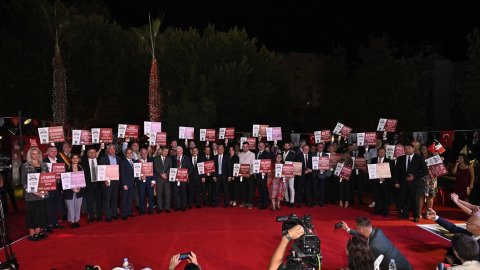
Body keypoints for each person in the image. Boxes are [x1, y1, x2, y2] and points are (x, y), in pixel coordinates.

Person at [341, 217, 412, 270]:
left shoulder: (374, 246)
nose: (356, 229)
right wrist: (348, 230)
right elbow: (361, 233)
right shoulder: (376, 231)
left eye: (357, 228)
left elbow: (368, 266)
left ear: (361, 230)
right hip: (403, 264)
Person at [394, 142, 429, 222]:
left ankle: (416, 216)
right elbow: (396, 172)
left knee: (415, 200)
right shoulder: (400, 158)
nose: (407, 150)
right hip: (403, 183)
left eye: (409, 148)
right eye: (405, 149)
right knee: (403, 199)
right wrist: (396, 182)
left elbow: (425, 171)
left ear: (413, 149)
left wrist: (414, 177)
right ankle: (405, 214)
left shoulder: (419, 158)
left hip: (416, 183)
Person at [22, 147, 50, 241]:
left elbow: (48, 179)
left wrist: (46, 189)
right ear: (30, 155)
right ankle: (32, 233)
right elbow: (24, 182)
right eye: (33, 154)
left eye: (37, 153)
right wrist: (35, 192)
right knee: (32, 214)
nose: (35, 155)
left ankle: (38, 231)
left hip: (43, 194)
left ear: (40, 154)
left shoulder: (44, 165)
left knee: (41, 213)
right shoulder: (25, 166)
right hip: (31, 195)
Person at [43, 145, 65, 231]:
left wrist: (63, 187)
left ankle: (55, 223)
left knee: (56, 205)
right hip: (48, 187)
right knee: (49, 206)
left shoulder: (59, 161)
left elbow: (63, 174)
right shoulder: (44, 161)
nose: (54, 153)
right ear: (47, 152)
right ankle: (48, 224)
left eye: (55, 151)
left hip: (58, 186)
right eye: (51, 151)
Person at [98, 144, 121, 222]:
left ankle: (114, 214)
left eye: (113, 149)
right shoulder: (102, 159)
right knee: (107, 199)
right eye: (110, 149)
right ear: (107, 150)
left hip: (116, 181)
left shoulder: (119, 158)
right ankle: (108, 216)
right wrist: (105, 179)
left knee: (115, 199)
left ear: (115, 150)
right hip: (107, 181)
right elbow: (100, 171)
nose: (112, 150)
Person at [371, 148, 394, 217]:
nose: (381, 153)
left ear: (385, 153)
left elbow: (392, 172)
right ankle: (377, 210)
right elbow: (372, 170)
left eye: (382, 152)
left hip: (385, 182)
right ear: (377, 153)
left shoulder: (389, 161)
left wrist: (385, 178)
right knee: (377, 196)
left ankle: (385, 211)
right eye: (379, 152)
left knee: (385, 197)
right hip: (375, 181)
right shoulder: (373, 160)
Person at [64, 153, 85, 228]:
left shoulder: (81, 168)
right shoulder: (67, 168)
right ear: (71, 159)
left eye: (77, 158)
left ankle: (76, 220)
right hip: (69, 190)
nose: (75, 159)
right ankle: (72, 221)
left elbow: (83, 179)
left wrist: (80, 187)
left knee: (78, 206)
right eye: (73, 158)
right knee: (70, 206)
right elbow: (65, 179)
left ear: (79, 159)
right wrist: (71, 187)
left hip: (79, 190)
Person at [82, 147, 103, 223]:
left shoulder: (100, 160)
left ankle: (99, 216)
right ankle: (91, 217)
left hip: (99, 185)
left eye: (93, 152)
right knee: (89, 202)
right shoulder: (83, 162)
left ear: (96, 153)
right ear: (87, 154)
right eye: (90, 152)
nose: (92, 154)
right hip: (88, 185)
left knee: (99, 201)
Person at [153, 147, 172, 213]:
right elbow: (155, 167)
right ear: (162, 151)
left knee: (167, 194)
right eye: (165, 151)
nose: (166, 153)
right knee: (159, 194)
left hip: (167, 179)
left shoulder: (169, 158)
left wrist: (165, 174)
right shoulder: (156, 158)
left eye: (167, 152)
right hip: (159, 179)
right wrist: (161, 174)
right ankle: (160, 208)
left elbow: (170, 167)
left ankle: (167, 208)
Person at [174, 146, 193, 211]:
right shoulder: (173, 158)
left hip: (183, 179)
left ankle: (183, 206)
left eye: (180, 151)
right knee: (176, 193)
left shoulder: (186, 158)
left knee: (183, 193)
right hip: (175, 179)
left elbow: (190, 169)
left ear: (182, 151)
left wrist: (188, 174)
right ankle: (178, 206)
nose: (178, 152)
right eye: (177, 151)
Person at [119, 148, 137, 220]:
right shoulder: (122, 162)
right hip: (126, 184)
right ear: (125, 154)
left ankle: (129, 212)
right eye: (128, 153)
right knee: (124, 199)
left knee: (130, 199)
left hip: (132, 183)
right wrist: (124, 184)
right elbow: (122, 174)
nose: (129, 154)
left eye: (131, 153)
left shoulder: (134, 161)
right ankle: (124, 214)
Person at [238, 141, 255, 209]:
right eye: (244, 146)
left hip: (249, 175)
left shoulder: (252, 154)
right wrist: (238, 173)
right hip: (242, 175)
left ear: (248, 147)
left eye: (246, 146)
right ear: (242, 147)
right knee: (243, 189)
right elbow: (238, 165)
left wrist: (250, 173)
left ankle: (250, 203)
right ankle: (244, 202)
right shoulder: (240, 154)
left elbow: (253, 165)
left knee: (250, 189)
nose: (245, 148)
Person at [137, 147, 154, 215]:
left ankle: (151, 209)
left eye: (145, 153)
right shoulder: (137, 161)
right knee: (141, 196)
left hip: (149, 181)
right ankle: (142, 210)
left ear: (147, 153)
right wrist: (139, 177)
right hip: (141, 182)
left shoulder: (151, 160)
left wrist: (153, 181)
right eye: (142, 153)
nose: (144, 154)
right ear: (140, 154)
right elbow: (136, 173)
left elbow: (154, 171)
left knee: (150, 196)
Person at [256, 141, 272, 209]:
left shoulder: (267, 153)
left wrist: (265, 171)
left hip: (264, 174)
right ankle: (261, 202)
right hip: (258, 174)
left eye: (262, 145)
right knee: (260, 188)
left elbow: (269, 164)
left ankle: (265, 204)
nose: (261, 146)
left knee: (264, 189)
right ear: (258, 146)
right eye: (259, 145)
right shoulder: (257, 153)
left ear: (264, 146)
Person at [282, 142, 296, 208]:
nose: (287, 147)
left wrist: (292, 173)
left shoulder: (292, 153)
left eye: (288, 146)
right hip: (284, 172)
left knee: (291, 186)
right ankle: (287, 200)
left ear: (289, 147)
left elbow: (294, 164)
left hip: (291, 173)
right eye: (286, 145)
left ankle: (292, 202)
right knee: (285, 187)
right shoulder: (282, 153)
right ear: (284, 146)